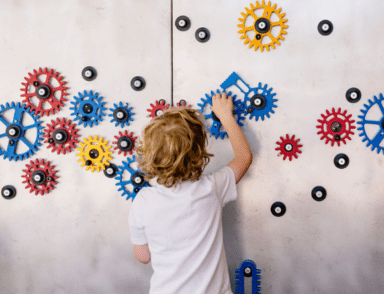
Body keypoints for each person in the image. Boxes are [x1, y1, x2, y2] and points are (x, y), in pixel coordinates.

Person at [129, 92, 253, 294]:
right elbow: (244, 157)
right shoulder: (212, 188)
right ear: (199, 155)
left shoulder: (143, 201)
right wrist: (225, 116)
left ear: (150, 156)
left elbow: (143, 256)